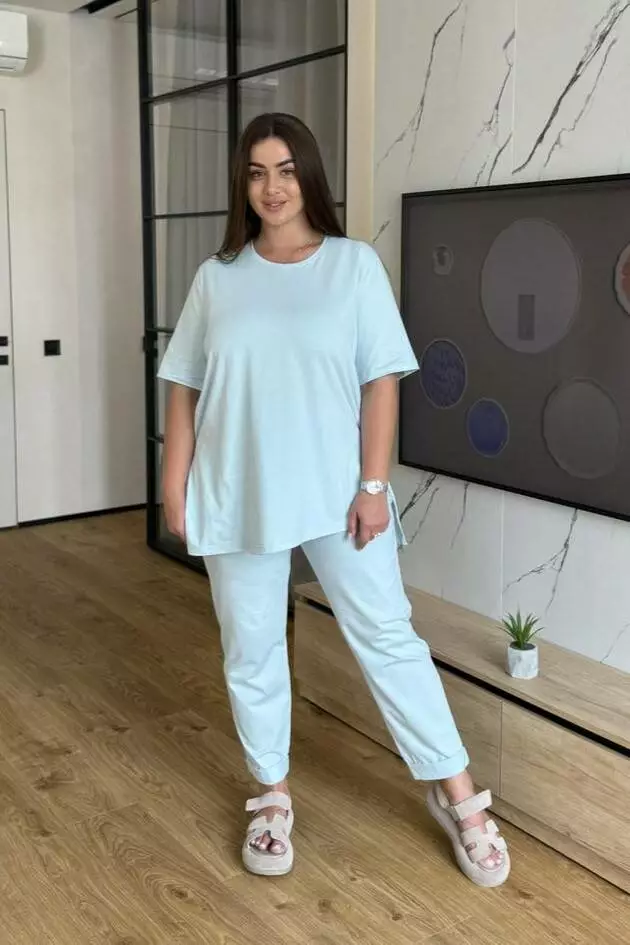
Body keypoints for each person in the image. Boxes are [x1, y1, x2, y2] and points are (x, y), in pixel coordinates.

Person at [158, 112, 510, 888]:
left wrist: (374, 484)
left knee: (387, 635)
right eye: (257, 172)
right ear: (243, 183)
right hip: (236, 488)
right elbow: (184, 383)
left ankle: (456, 791)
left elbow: (380, 381)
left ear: (308, 176)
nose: (272, 187)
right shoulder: (219, 276)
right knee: (252, 646)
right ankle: (271, 794)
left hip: (339, 493)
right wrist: (172, 483)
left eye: (286, 170)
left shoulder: (353, 266)